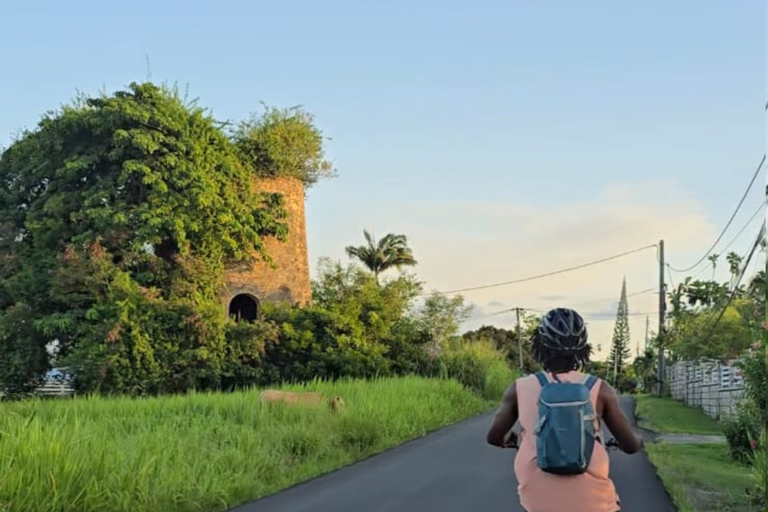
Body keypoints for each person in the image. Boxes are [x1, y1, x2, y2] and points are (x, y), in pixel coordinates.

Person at [486, 307, 643, 512]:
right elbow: (630, 446)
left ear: (539, 346)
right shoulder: (600, 389)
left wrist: (513, 440)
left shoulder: (519, 388)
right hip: (593, 502)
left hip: (537, 501)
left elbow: (494, 437)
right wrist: (638, 438)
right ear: (583, 349)